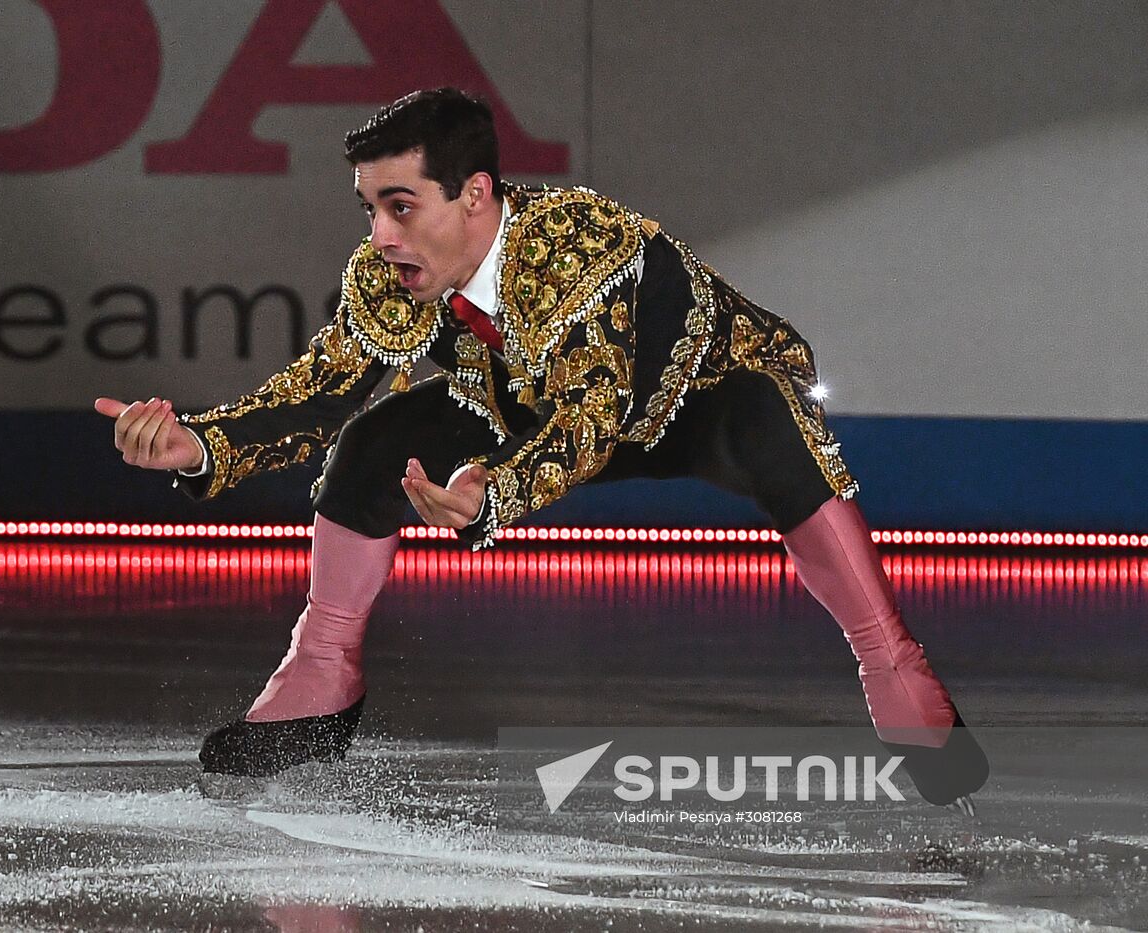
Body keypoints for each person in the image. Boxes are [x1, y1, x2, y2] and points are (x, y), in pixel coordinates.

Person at [95, 87, 987, 812]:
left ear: (475, 194)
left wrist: (495, 494)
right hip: (526, 406)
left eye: (400, 207)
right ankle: (320, 674)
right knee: (376, 437)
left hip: (688, 400)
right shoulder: (391, 273)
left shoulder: (577, 245)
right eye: (371, 209)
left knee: (764, 417)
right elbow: (321, 390)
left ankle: (892, 664)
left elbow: (591, 420)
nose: (380, 236)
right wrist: (197, 444)